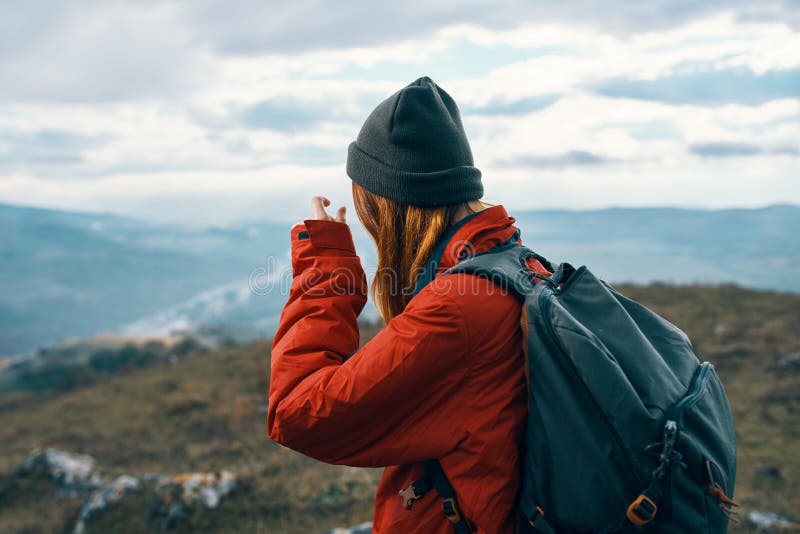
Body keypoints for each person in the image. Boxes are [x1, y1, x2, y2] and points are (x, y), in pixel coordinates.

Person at [267, 76, 551, 533]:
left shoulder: (456, 311)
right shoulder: (522, 265)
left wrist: (326, 270)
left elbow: (297, 415)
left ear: (388, 203)